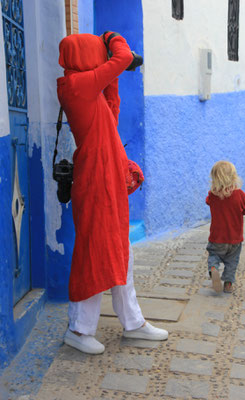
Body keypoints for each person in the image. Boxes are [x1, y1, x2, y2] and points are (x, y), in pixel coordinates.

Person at [57, 32, 168, 354]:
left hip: (106, 178)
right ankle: (79, 329)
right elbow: (119, 60)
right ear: (84, 55)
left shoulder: (89, 90)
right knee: (95, 250)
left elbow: (112, 111)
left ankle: (133, 322)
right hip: (94, 181)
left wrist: (114, 74)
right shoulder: (76, 86)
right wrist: (114, 39)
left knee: (120, 250)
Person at [206, 161, 245, 294]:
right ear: (233, 177)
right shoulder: (241, 195)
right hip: (235, 239)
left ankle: (213, 268)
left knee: (214, 255)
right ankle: (228, 284)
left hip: (217, 238)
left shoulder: (212, 195)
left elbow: (207, 201)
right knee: (232, 262)